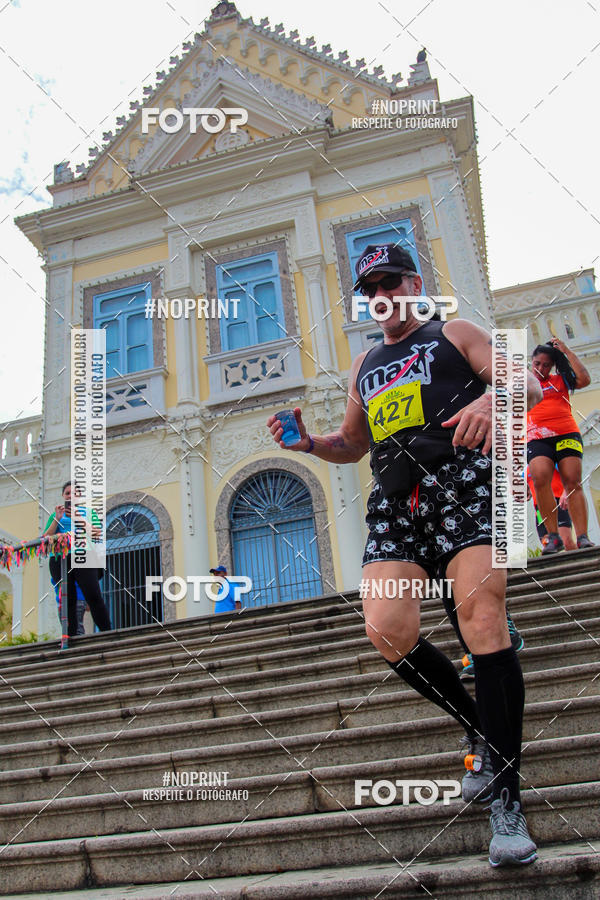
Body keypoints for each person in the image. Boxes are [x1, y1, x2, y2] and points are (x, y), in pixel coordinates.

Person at [267, 242, 543, 867]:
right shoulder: (365, 365)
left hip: (467, 488)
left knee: (482, 621)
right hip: (396, 505)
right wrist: (309, 442)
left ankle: (507, 801)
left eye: (391, 281)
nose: (382, 295)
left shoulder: (456, 333)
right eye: (370, 288)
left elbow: (522, 381)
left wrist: (486, 399)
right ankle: (480, 727)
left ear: (415, 282)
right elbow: (352, 442)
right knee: (387, 629)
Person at [527, 340, 593, 553]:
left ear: (553, 366)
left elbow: (584, 379)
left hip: (566, 433)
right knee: (539, 477)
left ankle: (583, 537)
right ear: (531, 361)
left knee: (573, 482)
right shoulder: (523, 383)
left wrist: (566, 350)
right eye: (537, 363)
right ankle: (552, 536)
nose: (540, 369)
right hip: (537, 438)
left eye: (546, 365)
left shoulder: (560, 380)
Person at [43, 481, 112, 638]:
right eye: (67, 493)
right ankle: (71, 636)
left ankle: (107, 632)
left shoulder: (88, 512)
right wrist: (57, 519)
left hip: (84, 556)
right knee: (68, 598)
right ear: (63, 496)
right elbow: (46, 538)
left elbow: (95, 533)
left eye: (74, 493)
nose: (70, 495)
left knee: (93, 594)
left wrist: (77, 517)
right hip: (60, 558)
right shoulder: (56, 515)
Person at [527, 465, 576, 551]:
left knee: (566, 542)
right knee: (548, 545)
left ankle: (582, 560)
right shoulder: (525, 470)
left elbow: (569, 476)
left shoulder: (549, 458)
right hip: (539, 510)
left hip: (558, 503)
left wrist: (566, 492)